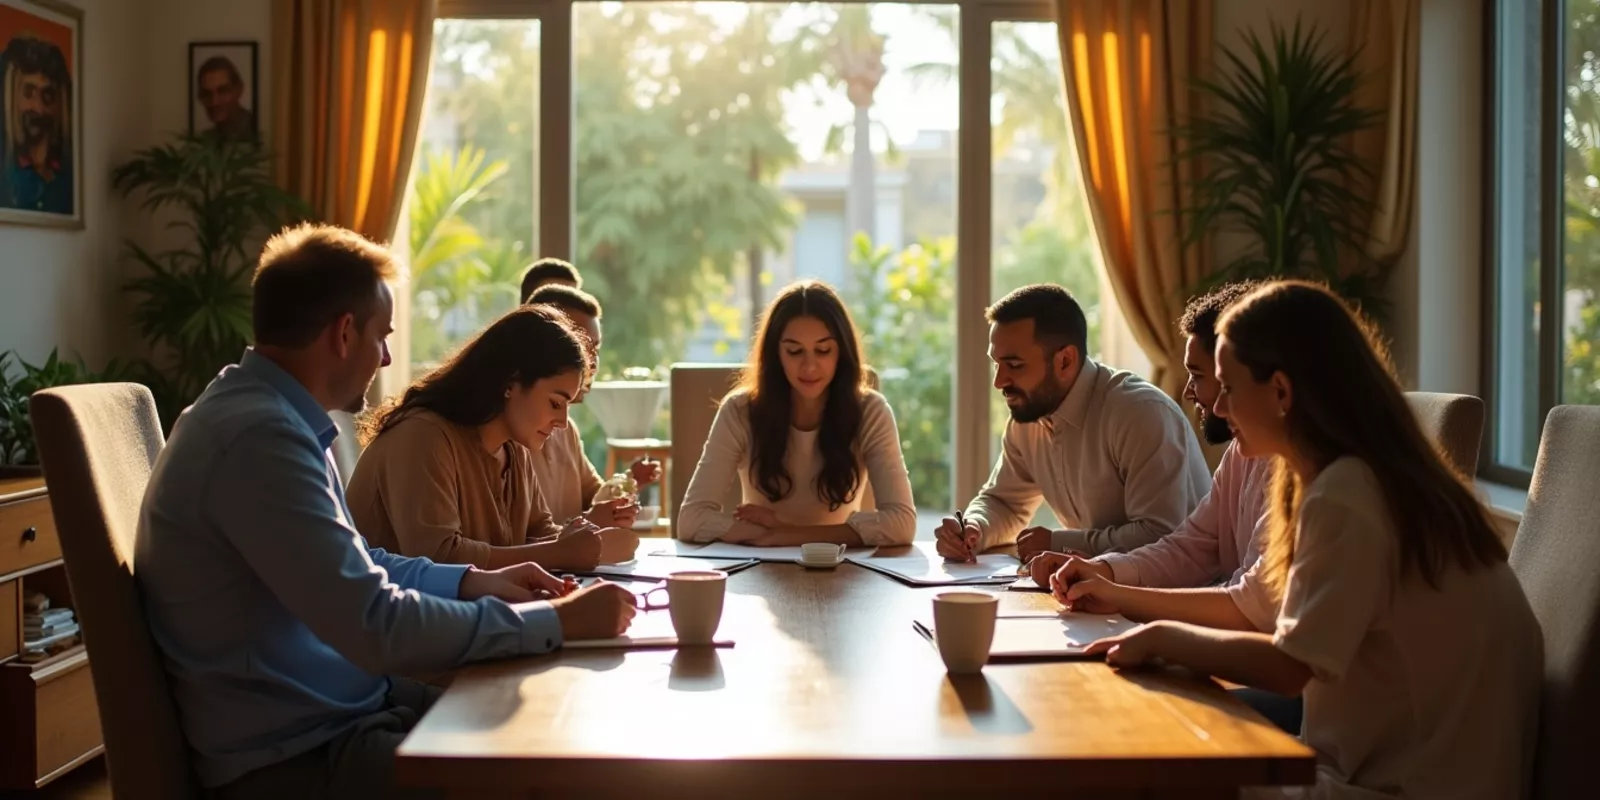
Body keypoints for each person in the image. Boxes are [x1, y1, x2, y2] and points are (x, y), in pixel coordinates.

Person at [136, 223, 637, 799]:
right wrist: (556, 623)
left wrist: (476, 581)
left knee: (554, 731)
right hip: (300, 754)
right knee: (552, 774)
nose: (389, 355)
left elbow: (363, 563)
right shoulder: (257, 438)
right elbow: (375, 623)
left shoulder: (269, 417)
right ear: (345, 333)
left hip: (349, 710)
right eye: (384, 336)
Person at [1064, 281, 1541, 800]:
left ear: (1282, 392)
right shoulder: (1372, 474)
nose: (1218, 408)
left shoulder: (1347, 492)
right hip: (1397, 766)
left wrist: (1159, 637)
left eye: (1227, 387)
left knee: (1144, 770)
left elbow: (1289, 668)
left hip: (1406, 785)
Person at [1027, 282, 1273, 630]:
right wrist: (1104, 571)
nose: (1191, 393)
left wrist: (1122, 599)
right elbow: (1190, 547)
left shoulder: (1312, 475)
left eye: (1216, 380)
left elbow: (1251, 607)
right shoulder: (1243, 452)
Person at [347, 305, 640, 570]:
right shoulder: (423, 437)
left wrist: (586, 531)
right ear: (510, 383)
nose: (563, 422)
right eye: (555, 403)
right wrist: (560, 552)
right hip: (391, 625)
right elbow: (439, 558)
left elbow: (539, 534)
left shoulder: (514, 449)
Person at [935, 284, 1210, 564]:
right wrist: (973, 528)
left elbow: (1161, 535)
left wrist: (1059, 544)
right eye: (997, 364)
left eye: (1015, 365)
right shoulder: (1029, 417)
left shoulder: (1140, 413)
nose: (999, 382)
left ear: (1065, 361)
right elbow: (1005, 503)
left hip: (1181, 595)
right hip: (1103, 592)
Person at [678, 280, 916, 546]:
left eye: (823, 350)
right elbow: (691, 520)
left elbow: (902, 523)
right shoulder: (739, 411)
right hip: (762, 570)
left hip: (843, 573)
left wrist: (785, 533)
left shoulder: (871, 411)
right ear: (776, 354)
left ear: (841, 352)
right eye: (794, 351)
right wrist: (766, 535)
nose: (810, 366)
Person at [525, 284, 661, 525]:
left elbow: (593, 498)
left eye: (596, 349)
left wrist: (631, 482)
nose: (592, 363)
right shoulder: (513, 434)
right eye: (581, 346)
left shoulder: (567, 430)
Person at [0, 35, 73, 214]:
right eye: (28, 93)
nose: (39, 108)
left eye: (47, 96)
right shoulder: (5, 176)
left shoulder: (67, 178)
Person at [195, 55, 257, 141]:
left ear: (239, 90)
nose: (214, 102)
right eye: (207, 94)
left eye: (223, 91)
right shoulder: (206, 140)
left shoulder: (257, 130)